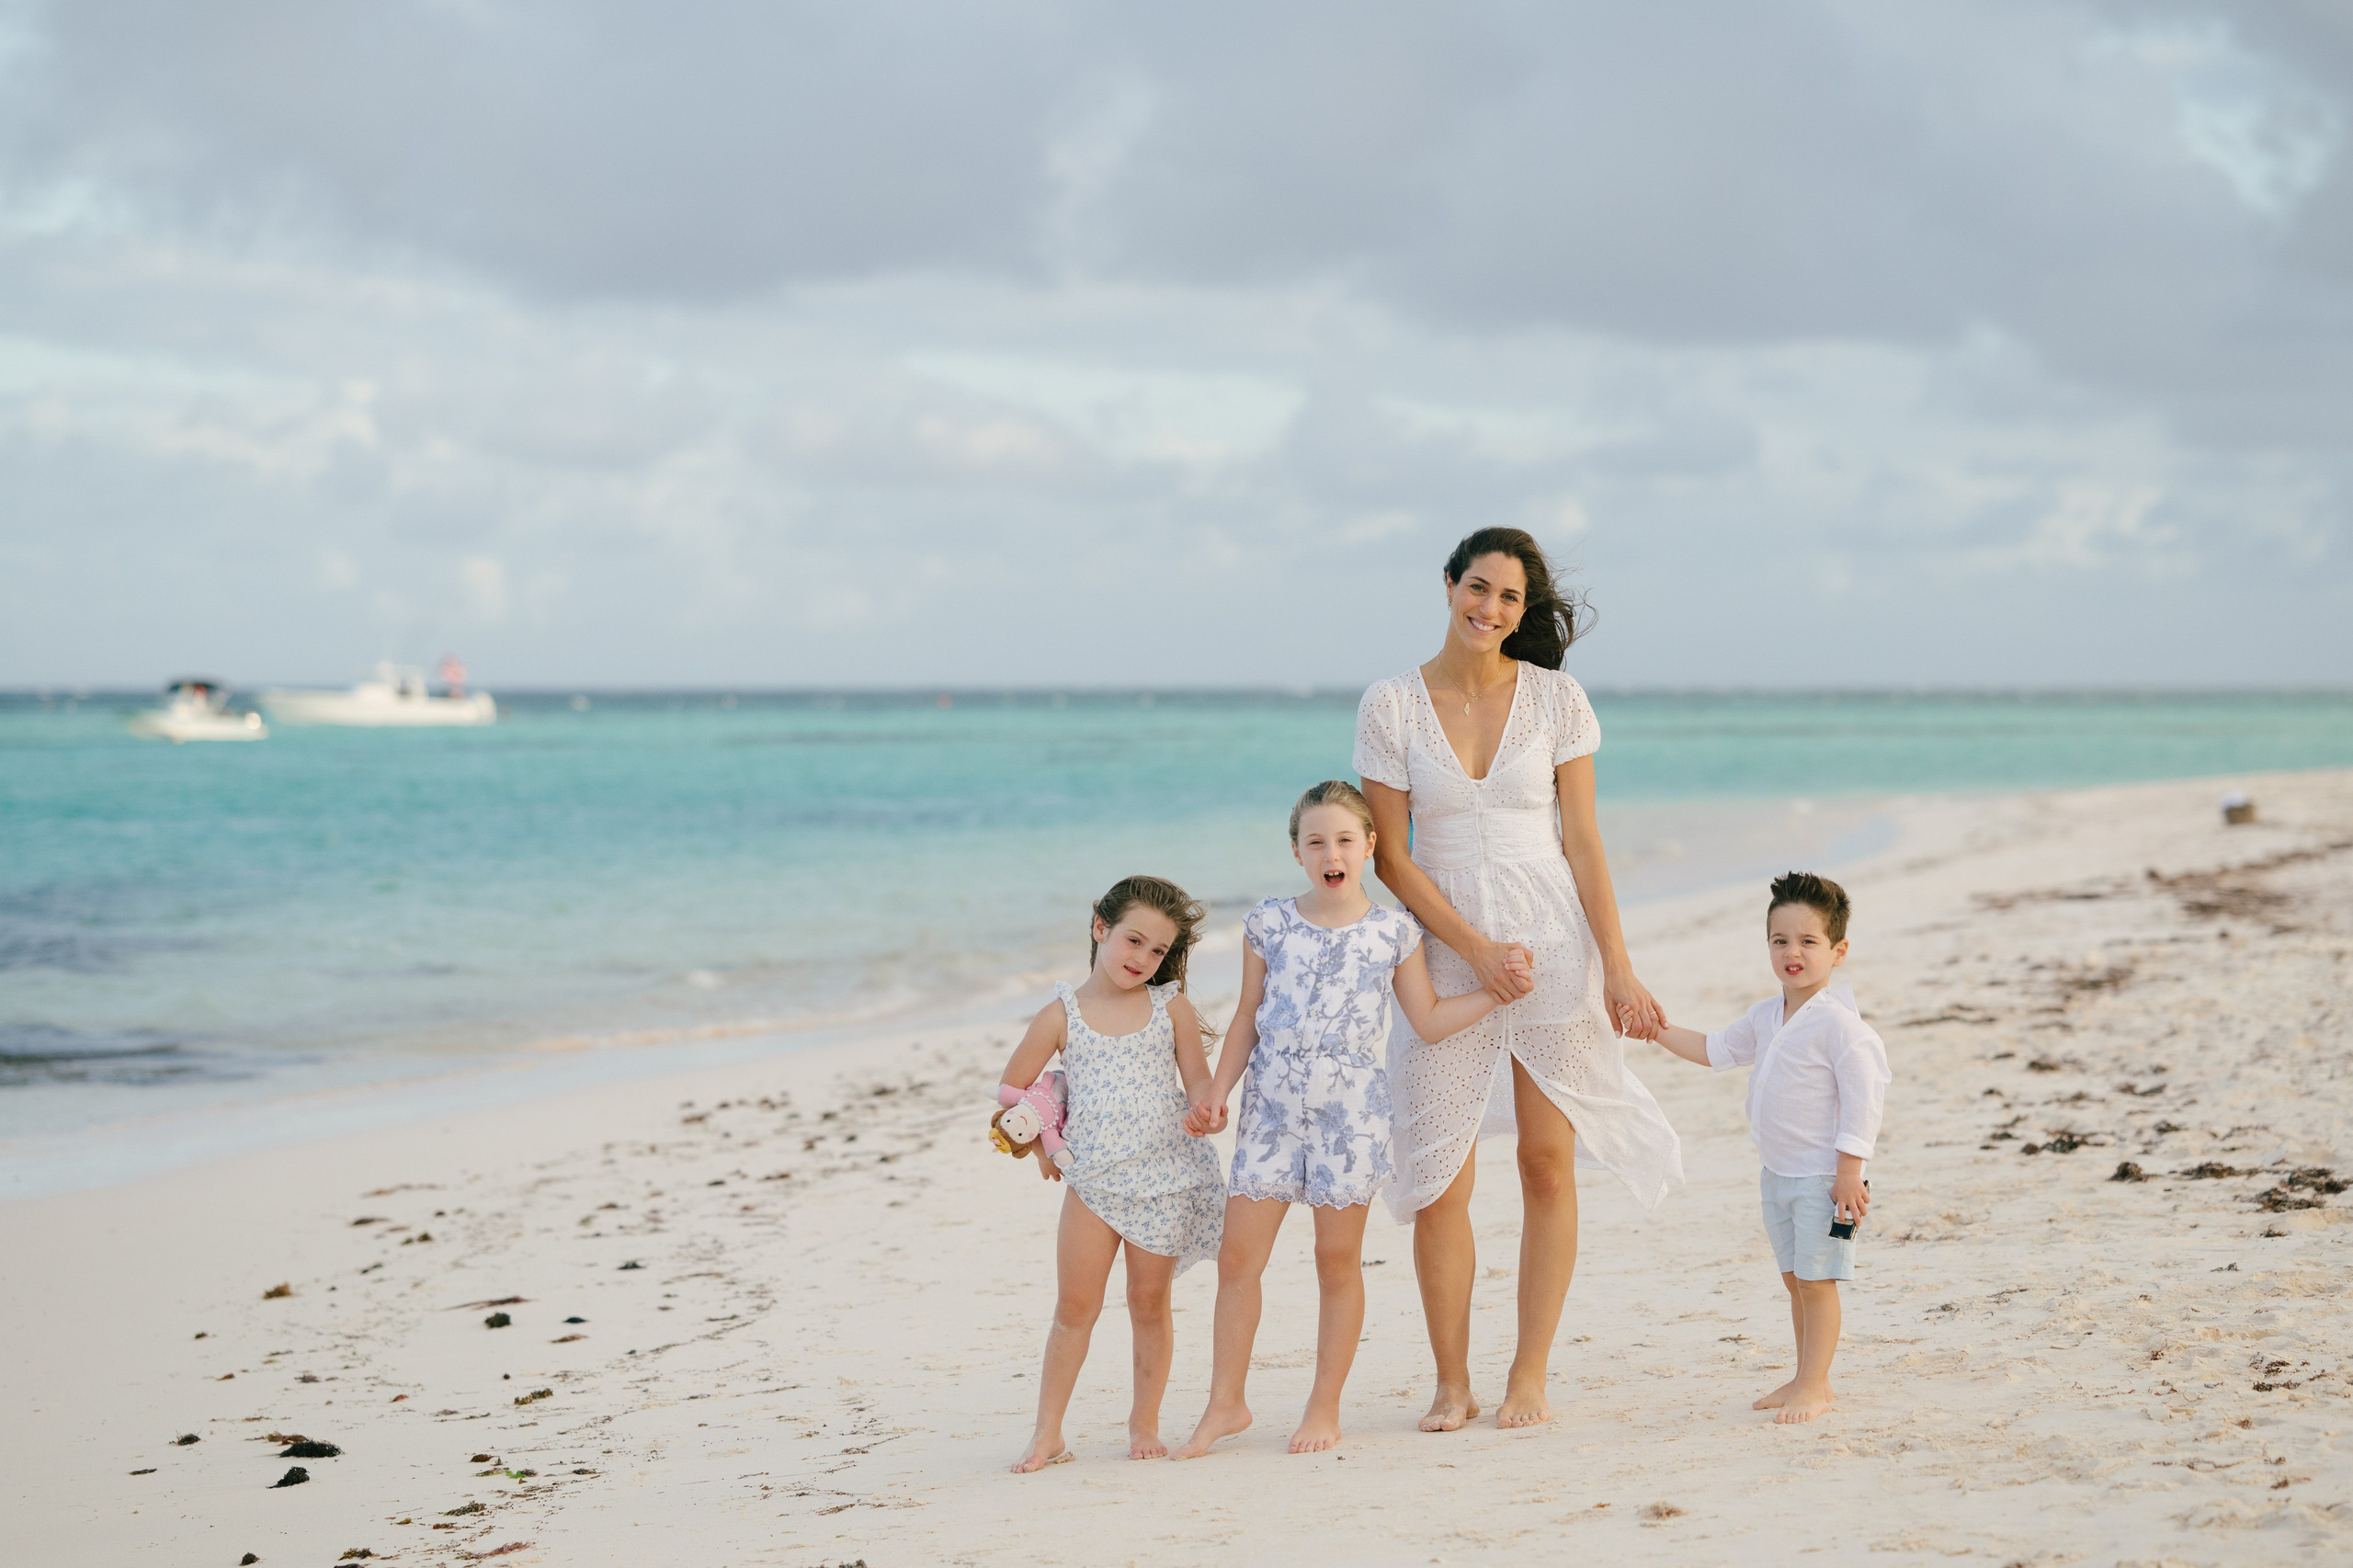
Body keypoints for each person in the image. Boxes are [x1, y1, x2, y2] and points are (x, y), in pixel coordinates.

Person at [1354, 526, 1683, 1432]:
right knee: (1438, 1174)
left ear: (1523, 611)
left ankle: (1528, 1374)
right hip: (1446, 952)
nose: (1490, 607)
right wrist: (1472, 948)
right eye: (1480, 586)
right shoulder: (1390, 703)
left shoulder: (1556, 700)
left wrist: (1617, 964)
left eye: (1510, 597)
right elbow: (1391, 858)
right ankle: (1450, 1380)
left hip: (1550, 948)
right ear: (1449, 584)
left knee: (1546, 1160)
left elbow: (1581, 838)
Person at [1172, 781, 1524, 1459]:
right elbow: (1246, 1018)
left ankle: (1324, 1403)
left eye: (1343, 839)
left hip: (1351, 1122)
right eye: (1315, 841)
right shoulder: (1268, 924)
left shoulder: (1394, 931)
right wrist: (1216, 1092)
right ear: (1298, 852)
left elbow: (1426, 1019)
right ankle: (1227, 1403)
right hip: (1269, 1115)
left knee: (1336, 1262)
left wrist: (1493, 992)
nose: (1330, 852)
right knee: (1239, 1260)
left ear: (1369, 846)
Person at [1632, 871, 1890, 1424]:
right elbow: (1713, 1050)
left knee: (1819, 1282)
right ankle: (1803, 1375)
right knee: (1795, 1280)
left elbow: (1864, 1103)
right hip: (1777, 1175)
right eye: (1780, 941)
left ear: (1838, 951)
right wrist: (1655, 1030)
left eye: (1807, 941)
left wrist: (1851, 1172)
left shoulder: (1842, 1027)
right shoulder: (1766, 1016)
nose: (1792, 952)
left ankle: (1816, 1385)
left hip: (1825, 1179)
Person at [998, 876, 1226, 1472]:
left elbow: (1198, 1079)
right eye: (1133, 941)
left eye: (1157, 951)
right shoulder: (1062, 1014)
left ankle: (1143, 1421)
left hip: (1164, 1180)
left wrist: (1208, 1106)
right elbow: (1014, 1090)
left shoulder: (1169, 1006)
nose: (1142, 959)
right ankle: (1048, 1432)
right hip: (1094, 1184)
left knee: (1149, 1304)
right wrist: (1042, 1147)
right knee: (1075, 1307)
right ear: (1101, 928)